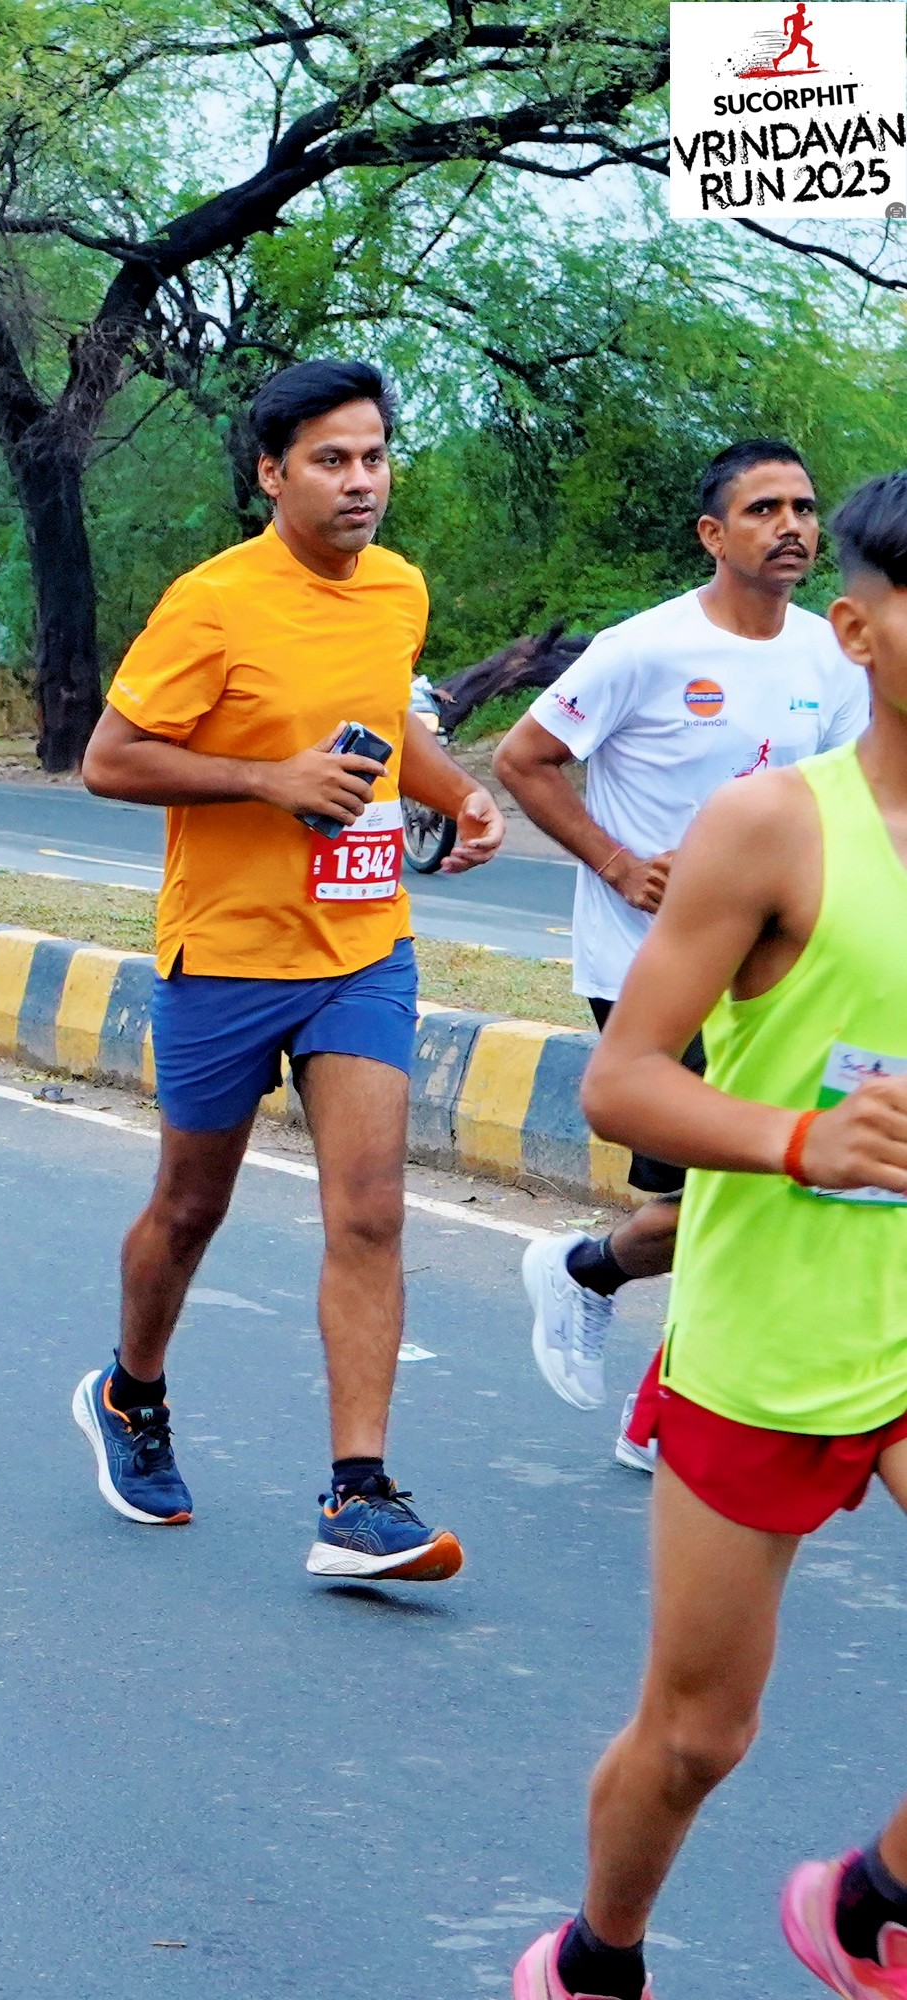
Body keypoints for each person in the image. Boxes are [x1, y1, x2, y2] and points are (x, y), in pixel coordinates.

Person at [508, 470, 907, 2000]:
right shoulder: (773, 831)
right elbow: (623, 1082)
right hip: (770, 1337)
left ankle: (875, 1905)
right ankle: (595, 1958)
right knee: (698, 1737)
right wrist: (803, 1140)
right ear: (858, 634)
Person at [73, 358, 506, 1579]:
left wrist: (459, 790)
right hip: (224, 952)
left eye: (374, 456)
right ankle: (131, 1391)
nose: (360, 480)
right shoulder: (213, 602)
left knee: (369, 1208)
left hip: (361, 947)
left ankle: (358, 1497)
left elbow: (388, 721)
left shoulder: (399, 588)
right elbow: (110, 757)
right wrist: (267, 780)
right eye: (331, 459)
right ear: (272, 473)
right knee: (189, 1206)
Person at [497, 440, 871, 1462]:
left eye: (803, 508)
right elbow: (523, 759)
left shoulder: (831, 655)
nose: (790, 526)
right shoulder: (645, 648)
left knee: (760, 1190)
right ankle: (590, 1276)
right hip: (649, 968)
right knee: (729, 1191)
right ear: (713, 533)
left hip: (779, 978)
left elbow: (843, 797)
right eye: (763, 509)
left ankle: (654, 1389)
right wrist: (618, 863)